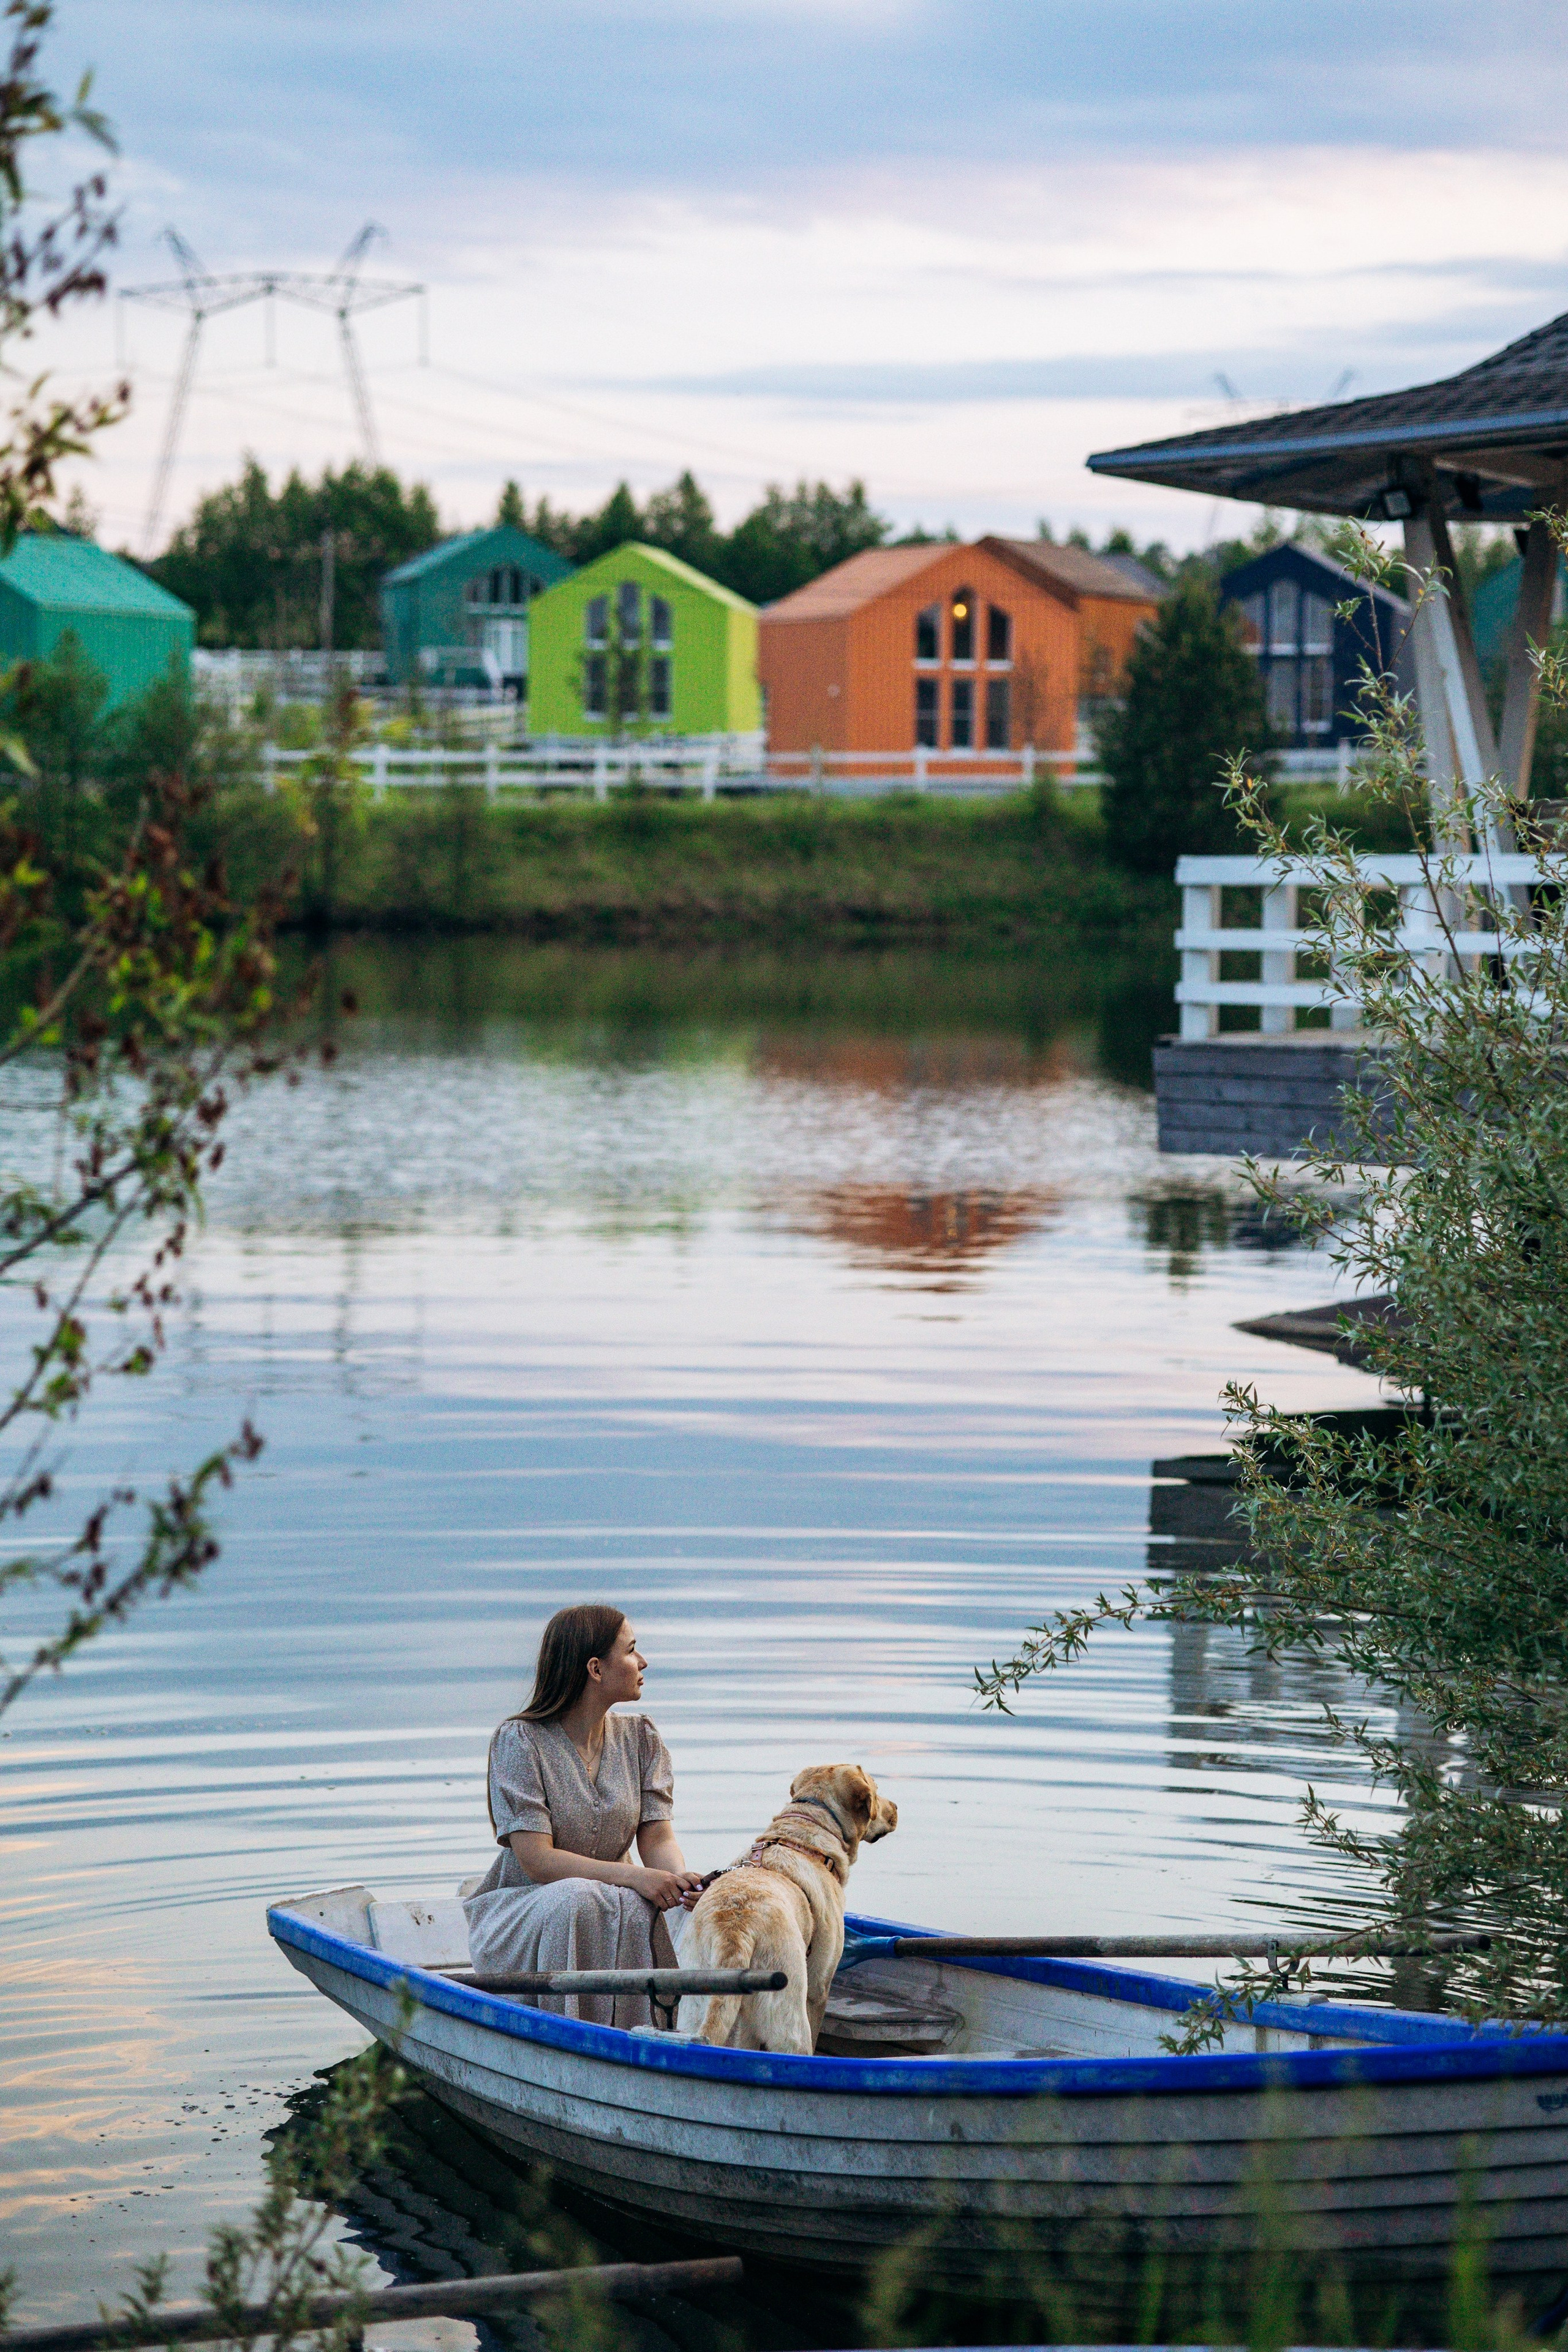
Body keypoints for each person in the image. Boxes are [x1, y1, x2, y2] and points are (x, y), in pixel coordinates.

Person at [462, 1604, 703, 2028]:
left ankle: (644, 2036)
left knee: (640, 1903)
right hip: (524, 1918)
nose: (643, 1662)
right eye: (631, 1651)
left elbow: (657, 1838)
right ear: (595, 1669)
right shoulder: (520, 1742)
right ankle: (568, 2039)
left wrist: (679, 1885)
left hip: (610, 1905)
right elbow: (536, 1861)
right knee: (582, 1897)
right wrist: (634, 1877)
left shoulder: (642, 1738)